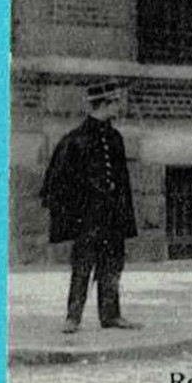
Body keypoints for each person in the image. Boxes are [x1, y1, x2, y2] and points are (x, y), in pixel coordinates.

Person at [40, 80, 142, 334]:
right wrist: (72, 217)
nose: (120, 106)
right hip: (87, 219)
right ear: (105, 103)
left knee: (112, 265)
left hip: (112, 218)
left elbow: (122, 183)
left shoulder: (115, 138)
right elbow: (58, 183)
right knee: (83, 266)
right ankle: (73, 317)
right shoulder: (74, 141)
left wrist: (124, 216)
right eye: (116, 102)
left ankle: (111, 315)